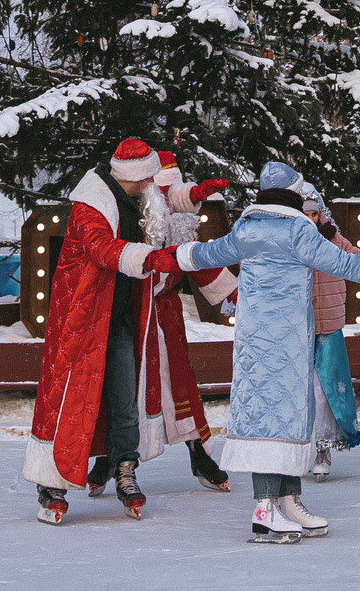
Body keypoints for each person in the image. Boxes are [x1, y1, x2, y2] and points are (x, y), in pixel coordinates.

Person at [156, 161, 360, 543]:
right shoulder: (298, 230)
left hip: (254, 340)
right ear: (294, 193)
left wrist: (165, 256)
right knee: (278, 416)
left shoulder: (246, 228)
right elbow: (342, 261)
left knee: (276, 414)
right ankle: (265, 509)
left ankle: (289, 500)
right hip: (286, 338)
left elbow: (208, 254)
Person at [26, 138, 231, 525]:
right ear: (133, 177)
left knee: (124, 400)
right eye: (149, 175)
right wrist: (155, 257)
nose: (155, 181)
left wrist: (196, 194)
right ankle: (50, 483)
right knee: (69, 400)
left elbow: (170, 196)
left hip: (119, 321)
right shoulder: (91, 205)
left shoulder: (142, 193)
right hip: (82, 322)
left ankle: (125, 469)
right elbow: (103, 250)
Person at [155, 151, 236, 491]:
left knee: (180, 385)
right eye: (168, 197)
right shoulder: (130, 222)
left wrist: (235, 294)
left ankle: (198, 454)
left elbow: (197, 259)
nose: (177, 209)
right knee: (121, 385)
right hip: (129, 316)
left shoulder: (180, 231)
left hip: (166, 314)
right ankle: (108, 460)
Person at [299, 182, 360, 482]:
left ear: (322, 214)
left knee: (324, 393)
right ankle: (298, 449)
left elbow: (359, 261)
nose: (311, 220)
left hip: (327, 327)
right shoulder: (290, 242)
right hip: (297, 328)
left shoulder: (334, 241)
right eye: (305, 215)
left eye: (315, 214)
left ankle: (323, 448)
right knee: (301, 393)